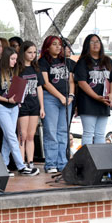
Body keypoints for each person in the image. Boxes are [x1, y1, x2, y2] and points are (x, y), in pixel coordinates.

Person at [0, 48, 39, 176]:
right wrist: (7, 99)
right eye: (12, 59)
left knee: (8, 137)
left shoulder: (14, 71)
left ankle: (4, 165)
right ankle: (21, 166)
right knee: (11, 135)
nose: (14, 61)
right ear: (6, 59)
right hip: (1, 107)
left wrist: (16, 99)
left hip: (14, 107)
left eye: (16, 59)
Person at [39, 36, 75, 173]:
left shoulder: (66, 61)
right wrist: (60, 96)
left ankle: (63, 162)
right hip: (51, 99)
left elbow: (71, 81)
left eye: (59, 44)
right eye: (54, 44)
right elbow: (46, 83)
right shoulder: (43, 61)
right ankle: (51, 164)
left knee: (63, 132)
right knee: (51, 132)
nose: (58, 47)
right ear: (47, 47)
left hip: (67, 99)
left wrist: (70, 95)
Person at [74, 34, 112, 146]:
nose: (95, 44)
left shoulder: (107, 61)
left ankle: (99, 162)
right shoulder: (83, 62)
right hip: (88, 102)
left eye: (97, 41)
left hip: (104, 102)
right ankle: (86, 162)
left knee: (100, 134)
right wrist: (97, 97)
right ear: (87, 45)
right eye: (92, 42)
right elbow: (82, 82)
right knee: (88, 133)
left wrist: (111, 94)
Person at [17, 41, 45, 171]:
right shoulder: (18, 69)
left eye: (35, 52)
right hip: (22, 105)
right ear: (23, 53)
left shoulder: (36, 68)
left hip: (34, 105)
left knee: (31, 135)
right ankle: (21, 162)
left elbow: (39, 88)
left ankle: (31, 161)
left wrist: (42, 107)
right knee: (22, 134)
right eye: (29, 52)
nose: (32, 55)